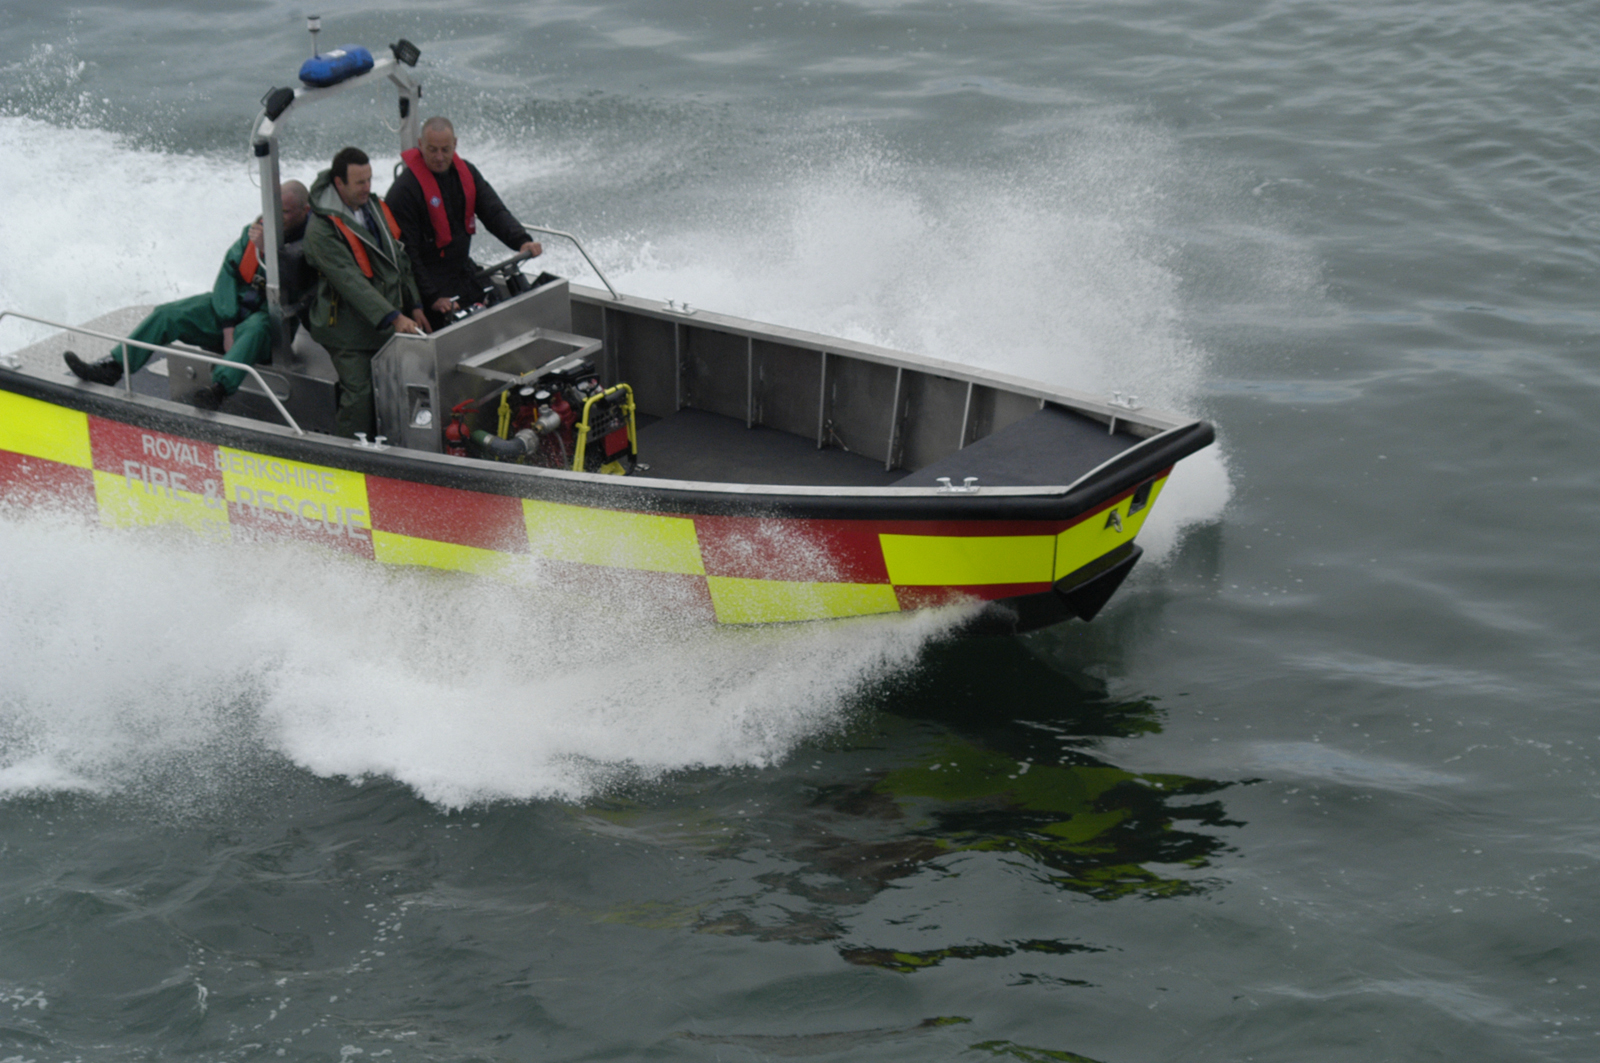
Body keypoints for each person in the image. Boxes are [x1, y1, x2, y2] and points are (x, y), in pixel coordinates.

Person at [64, 181, 312, 408]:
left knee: (254, 330)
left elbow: (297, 282)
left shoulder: (312, 242)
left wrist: (269, 252)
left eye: (285, 212)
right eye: (273, 209)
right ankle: (114, 367)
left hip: (271, 324)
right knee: (168, 314)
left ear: (304, 210)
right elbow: (228, 273)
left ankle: (218, 389)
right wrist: (227, 327)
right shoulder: (254, 231)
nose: (277, 217)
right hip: (234, 315)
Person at [302, 146, 430, 440]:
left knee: (411, 382)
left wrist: (416, 305)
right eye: (360, 182)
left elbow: (399, 259)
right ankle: (350, 458)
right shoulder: (321, 231)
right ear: (339, 183)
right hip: (346, 329)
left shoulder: (373, 207)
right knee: (360, 393)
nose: (367, 188)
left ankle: (403, 448)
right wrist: (394, 317)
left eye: (370, 180)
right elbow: (351, 283)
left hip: (387, 319)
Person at [386, 116, 542, 329]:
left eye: (445, 149)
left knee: (502, 309)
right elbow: (407, 255)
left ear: (455, 145)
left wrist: (521, 240)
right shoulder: (403, 192)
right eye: (432, 150)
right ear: (420, 145)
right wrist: (430, 298)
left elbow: (494, 211)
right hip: (427, 283)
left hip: (462, 271)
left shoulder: (466, 173)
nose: (439, 157)